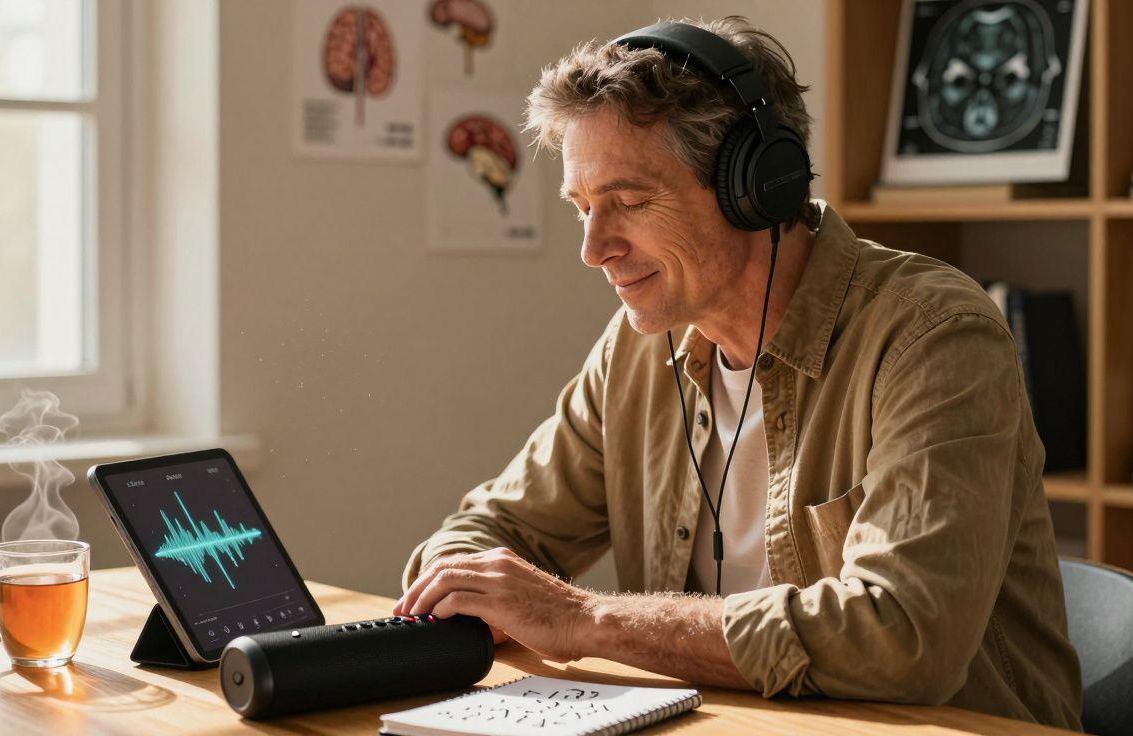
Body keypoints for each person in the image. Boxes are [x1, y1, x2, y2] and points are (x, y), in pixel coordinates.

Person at [394, 16, 1082, 730]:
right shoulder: (637, 350)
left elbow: (903, 635)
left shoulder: (934, 338)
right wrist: (463, 579)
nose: (594, 250)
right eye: (583, 209)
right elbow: (493, 527)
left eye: (629, 203)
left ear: (757, 187)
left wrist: (584, 618)